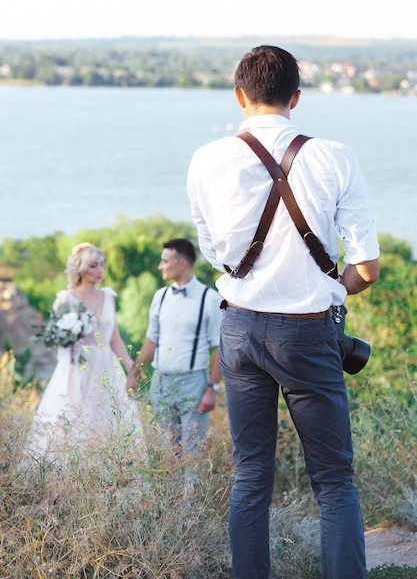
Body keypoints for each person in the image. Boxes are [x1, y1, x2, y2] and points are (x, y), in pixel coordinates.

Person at [187, 46, 380, 579]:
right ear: (296, 97)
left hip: (240, 330)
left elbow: (213, 252)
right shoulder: (335, 156)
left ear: (239, 95)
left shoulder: (206, 159)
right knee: (335, 482)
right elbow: (367, 267)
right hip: (308, 334)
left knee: (250, 477)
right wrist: (332, 289)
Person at [29, 242, 143, 455]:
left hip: (106, 368)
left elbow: (114, 339)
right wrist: (69, 336)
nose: (100, 270)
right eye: (93, 266)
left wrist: (131, 367)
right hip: (77, 367)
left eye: (102, 265)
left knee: (108, 420)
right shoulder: (65, 299)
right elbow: (54, 337)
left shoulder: (108, 296)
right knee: (72, 420)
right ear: (80, 268)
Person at [126, 238, 222, 454]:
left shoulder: (210, 299)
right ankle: (172, 490)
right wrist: (134, 373)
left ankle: (192, 489)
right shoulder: (160, 297)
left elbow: (220, 348)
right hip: (160, 382)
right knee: (167, 452)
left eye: (165, 261)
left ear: (182, 264)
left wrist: (212, 388)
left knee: (192, 452)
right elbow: (152, 340)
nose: (160, 266)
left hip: (194, 382)